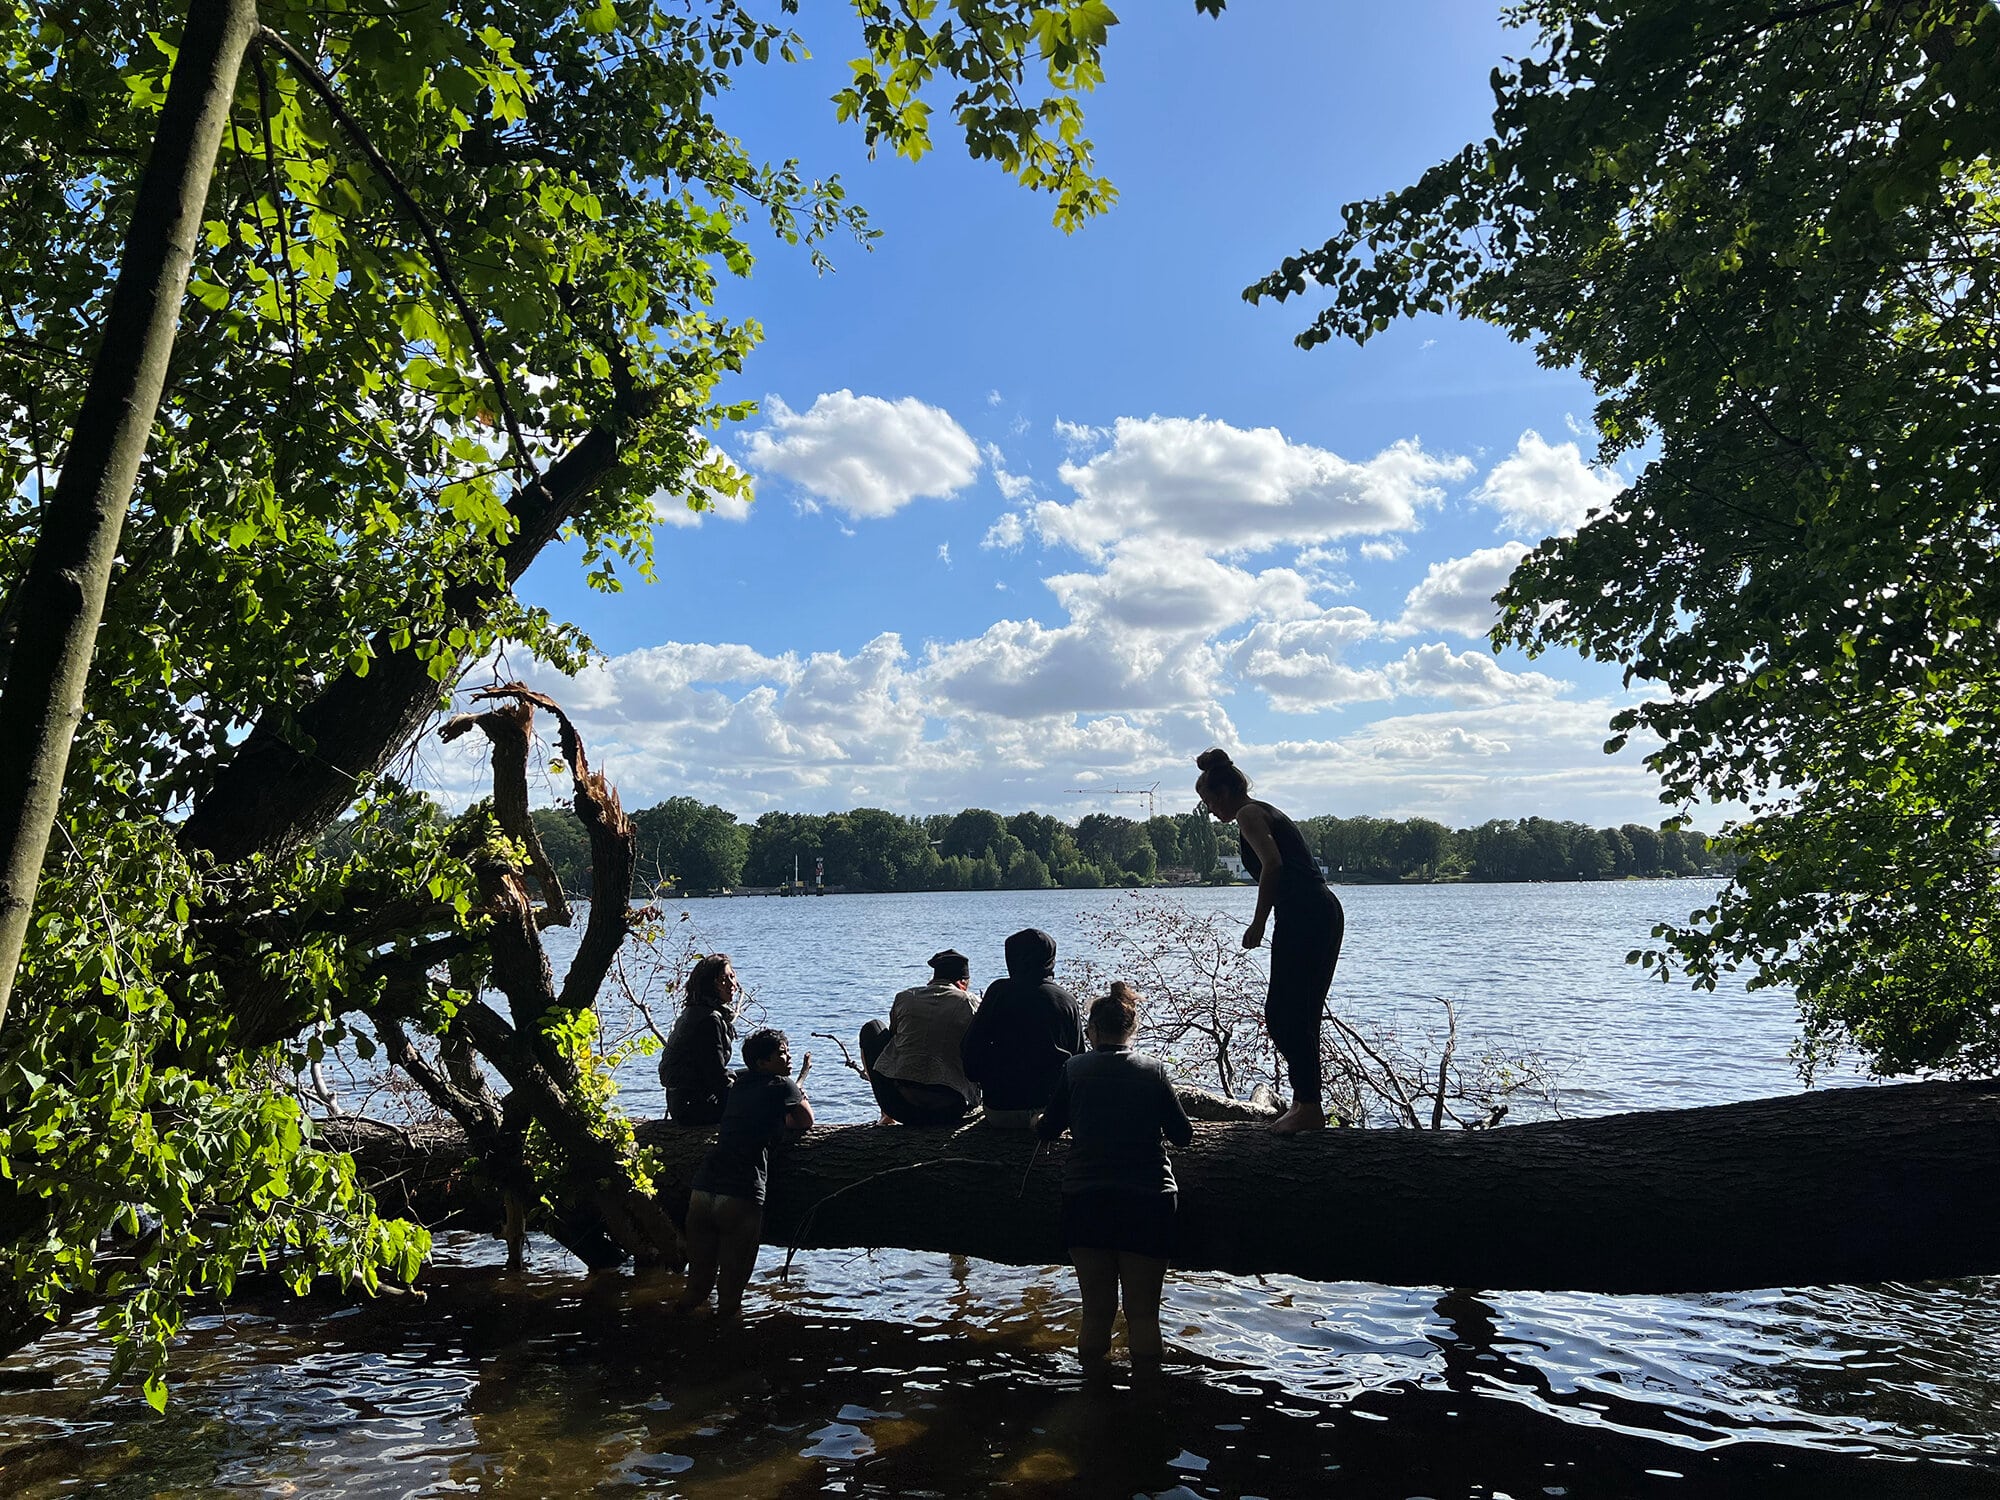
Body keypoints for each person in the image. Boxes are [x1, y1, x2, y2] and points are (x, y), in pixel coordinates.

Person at [1036, 982, 1193, 1381]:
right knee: (1144, 1316)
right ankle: (1146, 1405)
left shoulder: (1074, 1070)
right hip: (1148, 1201)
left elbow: (1048, 1130)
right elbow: (1183, 1135)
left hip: (1087, 1199)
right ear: (1132, 1028)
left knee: (1095, 1315)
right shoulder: (1153, 1071)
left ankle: (1091, 1402)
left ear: (1091, 1031)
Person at [1195, 746, 1345, 1135]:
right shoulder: (1262, 810)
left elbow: (1273, 864)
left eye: (1209, 800)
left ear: (1225, 792)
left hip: (1306, 914)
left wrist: (1258, 923)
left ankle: (1308, 1106)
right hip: (1314, 911)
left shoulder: (1248, 813)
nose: (1210, 810)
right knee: (1300, 1011)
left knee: (1284, 1012)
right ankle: (1305, 1104)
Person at [677, 1028, 813, 1317]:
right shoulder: (782, 1084)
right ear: (763, 1063)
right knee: (729, 1299)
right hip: (740, 1192)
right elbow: (804, 1121)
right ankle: (728, 1356)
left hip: (703, 1189)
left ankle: (666, 1345)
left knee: (695, 1290)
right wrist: (794, 1092)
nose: (787, 1057)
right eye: (781, 1054)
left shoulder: (737, 1082)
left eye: (787, 1051)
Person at [960, 927, 1083, 1127]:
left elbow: (970, 1047)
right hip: (1052, 1111)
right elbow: (1078, 1059)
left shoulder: (998, 992)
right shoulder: (1066, 1000)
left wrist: (980, 1080)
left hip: (1001, 1109)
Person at [858, 948, 982, 1126]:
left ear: (933, 978)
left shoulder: (905, 997)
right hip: (950, 1111)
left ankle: (887, 1116)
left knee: (873, 1029)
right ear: (963, 983)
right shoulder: (971, 1002)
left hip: (900, 1107)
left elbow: (894, 1040)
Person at [659, 953, 738, 1125]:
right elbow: (715, 1075)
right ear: (709, 985)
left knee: (760, 1076)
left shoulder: (696, 1010)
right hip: (693, 1107)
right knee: (762, 1086)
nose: (732, 984)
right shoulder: (708, 1019)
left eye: (732, 976)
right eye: (723, 979)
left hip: (686, 1100)